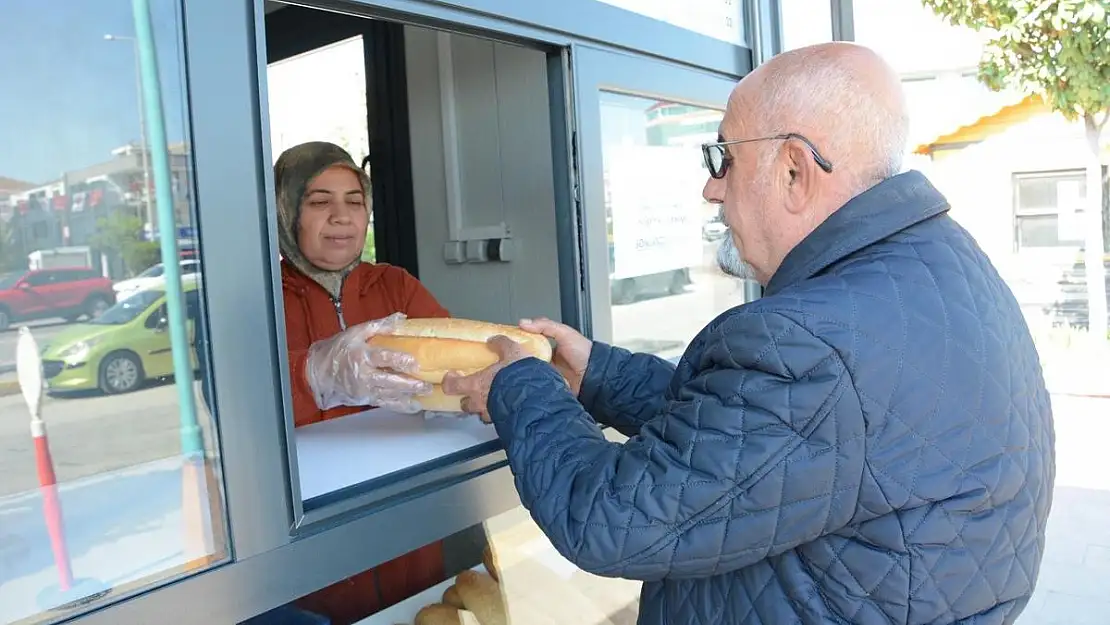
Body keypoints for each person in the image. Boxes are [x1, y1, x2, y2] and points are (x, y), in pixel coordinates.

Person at [443, 43, 1055, 625]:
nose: (711, 188)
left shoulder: (808, 341)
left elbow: (611, 519)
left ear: (793, 170)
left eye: (723, 159)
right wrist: (600, 374)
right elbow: (767, 447)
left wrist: (519, 384)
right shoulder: (937, 263)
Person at [273, 141, 449, 624]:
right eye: (318, 201)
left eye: (354, 200)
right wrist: (314, 374)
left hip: (404, 511)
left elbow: (451, 364)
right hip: (308, 527)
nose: (341, 216)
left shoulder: (394, 285)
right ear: (285, 210)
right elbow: (232, 409)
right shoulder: (259, 297)